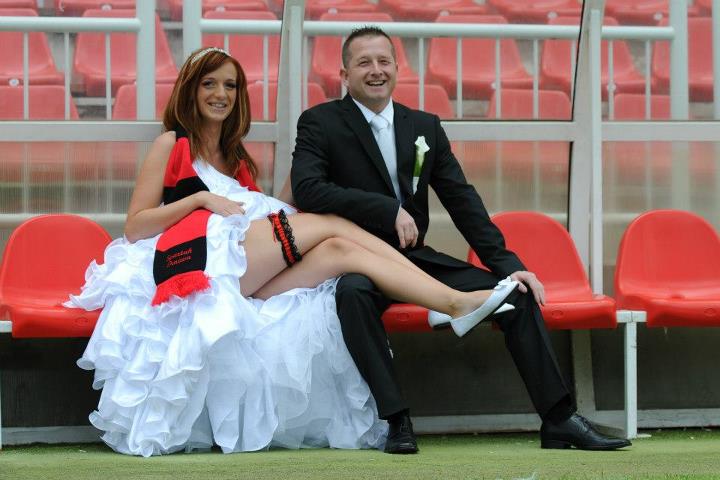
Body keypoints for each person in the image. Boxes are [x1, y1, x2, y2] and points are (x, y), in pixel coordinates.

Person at [67, 46, 520, 457]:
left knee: (339, 248)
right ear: (190, 89)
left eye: (230, 86)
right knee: (333, 224)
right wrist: (200, 199)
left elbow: (266, 212)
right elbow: (135, 225)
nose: (221, 94)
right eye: (209, 84)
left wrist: (300, 174)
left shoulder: (235, 156)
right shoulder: (172, 143)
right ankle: (450, 299)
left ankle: (450, 303)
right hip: (200, 263)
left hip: (244, 272)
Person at [291, 26, 632, 454]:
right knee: (352, 295)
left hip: (414, 259)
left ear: (397, 68)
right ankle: (396, 421)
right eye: (363, 63)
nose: (375, 70)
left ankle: (559, 419)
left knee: (515, 294)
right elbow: (308, 190)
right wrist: (386, 209)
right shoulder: (320, 122)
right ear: (344, 74)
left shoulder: (424, 127)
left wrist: (509, 266)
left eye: (383, 61)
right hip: (357, 260)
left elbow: (462, 201)